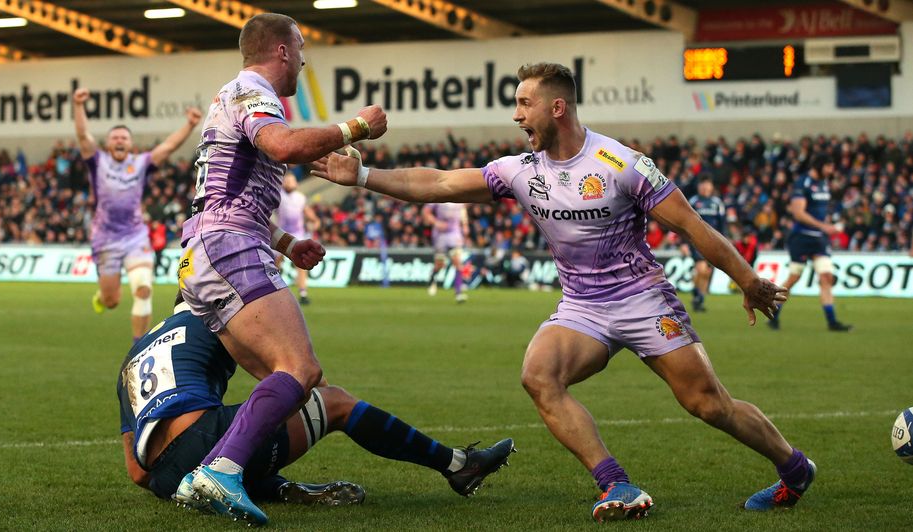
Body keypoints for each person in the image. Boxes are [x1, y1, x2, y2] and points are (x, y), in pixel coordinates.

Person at [313, 62, 813, 521]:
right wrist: (362, 175)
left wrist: (747, 280)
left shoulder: (622, 164)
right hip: (583, 307)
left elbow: (692, 226)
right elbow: (440, 183)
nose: (516, 115)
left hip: (643, 299)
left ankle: (794, 468)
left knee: (708, 405)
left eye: (523, 103)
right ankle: (616, 484)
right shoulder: (522, 171)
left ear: (557, 107)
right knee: (539, 376)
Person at [175, 12, 389, 526]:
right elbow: (283, 146)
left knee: (291, 385)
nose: (304, 60)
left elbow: (229, 193)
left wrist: (286, 242)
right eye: (301, 48)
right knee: (301, 370)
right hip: (227, 247)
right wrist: (356, 127)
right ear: (282, 51)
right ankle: (219, 471)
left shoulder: (231, 95)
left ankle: (215, 474)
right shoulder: (253, 90)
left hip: (206, 250)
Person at [117, 293, 515, 517]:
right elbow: (295, 380)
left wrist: (178, 474)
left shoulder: (133, 355)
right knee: (335, 402)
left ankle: (276, 488)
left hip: (166, 478)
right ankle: (459, 465)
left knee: (241, 437)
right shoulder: (216, 317)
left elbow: (136, 473)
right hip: (202, 440)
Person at [72, 87, 202, 342]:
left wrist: (189, 124)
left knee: (143, 289)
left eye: (124, 137)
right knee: (111, 301)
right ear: (108, 143)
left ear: (130, 144)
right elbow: (82, 135)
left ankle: (137, 347)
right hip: (105, 238)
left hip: (135, 236)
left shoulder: (141, 163)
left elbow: (168, 147)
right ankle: (102, 296)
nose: (120, 140)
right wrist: (78, 105)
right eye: (115, 137)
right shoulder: (97, 161)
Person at [768, 153, 852, 331]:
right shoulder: (803, 183)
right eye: (828, 166)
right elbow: (798, 213)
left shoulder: (824, 183)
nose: (831, 171)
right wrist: (824, 226)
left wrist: (830, 224)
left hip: (819, 238)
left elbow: (820, 210)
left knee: (826, 277)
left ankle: (832, 322)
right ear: (819, 166)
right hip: (801, 237)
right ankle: (773, 313)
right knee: (794, 277)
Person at [273, 172, 320, 305]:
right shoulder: (278, 196)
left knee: (301, 265)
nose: (289, 183)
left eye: (291, 181)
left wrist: (315, 222)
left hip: (298, 235)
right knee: (275, 264)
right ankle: (273, 291)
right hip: (281, 235)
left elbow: (309, 214)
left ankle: (303, 293)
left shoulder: (300, 198)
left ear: (296, 183)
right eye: (287, 181)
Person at [686, 176, 726, 312]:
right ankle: (696, 293)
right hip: (696, 240)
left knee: (707, 272)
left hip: (713, 242)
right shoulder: (693, 201)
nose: (705, 187)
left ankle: (699, 299)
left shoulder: (717, 203)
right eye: (703, 184)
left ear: (711, 186)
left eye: (707, 184)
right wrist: (684, 241)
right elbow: (685, 222)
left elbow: (722, 225)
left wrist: (723, 242)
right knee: (702, 269)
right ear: (699, 186)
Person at [423, 202, 469, 302]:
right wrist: (436, 222)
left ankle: (458, 293)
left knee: (458, 263)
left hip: (454, 233)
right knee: (440, 264)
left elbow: (462, 209)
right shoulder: (439, 197)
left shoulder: (458, 197)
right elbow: (426, 212)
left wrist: (465, 225)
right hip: (440, 235)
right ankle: (432, 277)